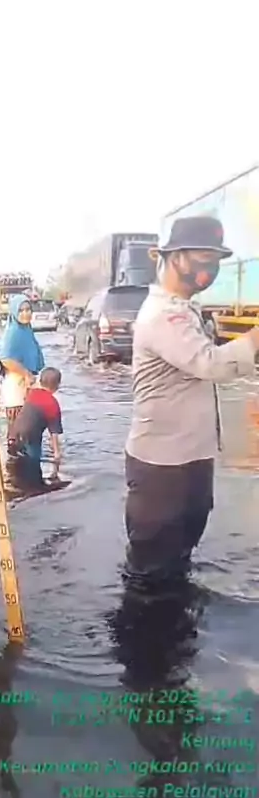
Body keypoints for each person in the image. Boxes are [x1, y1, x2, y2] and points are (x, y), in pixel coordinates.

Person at [125, 215, 259, 584]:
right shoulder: (162, 315)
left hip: (192, 460)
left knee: (179, 560)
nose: (209, 269)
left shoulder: (185, 309)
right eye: (203, 258)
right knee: (151, 576)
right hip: (162, 467)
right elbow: (210, 363)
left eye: (215, 260)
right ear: (172, 257)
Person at [0, 293, 45, 447]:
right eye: (21, 310)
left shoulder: (26, 331)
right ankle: (15, 457)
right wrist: (25, 374)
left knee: (28, 426)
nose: (26, 313)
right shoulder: (14, 332)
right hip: (16, 383)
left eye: (28, 309)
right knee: (18, 427)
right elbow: (5, 359)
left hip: (26, 381)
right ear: (14, 312)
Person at [6, 366, 63, 491]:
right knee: (34, 464)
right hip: (30, 436)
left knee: (19, 463)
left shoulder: (31, 393)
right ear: (57, 385)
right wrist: (57, 453)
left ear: (40, 381)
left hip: (14, 432)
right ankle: (34, 487)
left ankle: (17, 483)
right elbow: (54, 433)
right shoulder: (52, 404)